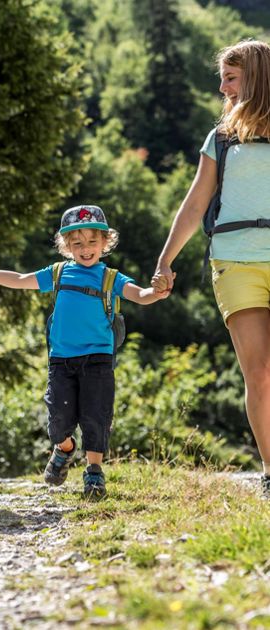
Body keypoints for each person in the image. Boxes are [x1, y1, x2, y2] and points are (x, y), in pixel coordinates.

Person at [0, 205, 170, 499]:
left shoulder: (111, 278)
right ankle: (64, 448)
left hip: (99, 358)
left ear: (105, 242)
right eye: (77, 243)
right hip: (61, 359)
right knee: (58, 419)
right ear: (66, 246)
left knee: (95, 417)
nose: (85, 249)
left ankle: (94, 473)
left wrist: (157, 292)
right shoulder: (59, 273)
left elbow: (139, 295)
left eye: (92, 242)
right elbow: (23, 280)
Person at [151, 39, 270, 496]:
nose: (222, 86)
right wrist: (166, 259)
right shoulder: (220, 138)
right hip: (234, 259)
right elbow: (196, 201)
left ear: (256, 76)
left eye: (231, 76)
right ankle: (269, 470)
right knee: (257, 372)